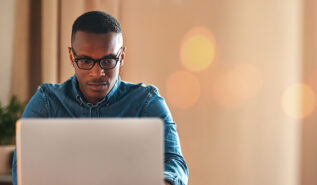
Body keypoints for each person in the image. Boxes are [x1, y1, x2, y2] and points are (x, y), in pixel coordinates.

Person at [12, 11, 188, 185]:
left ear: (122, 56)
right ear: (71, 56)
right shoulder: (47, 102)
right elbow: (22, 168)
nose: (97, 73)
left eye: (108, 60)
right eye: (86, 61)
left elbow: (175, 163)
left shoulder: (147, 102)